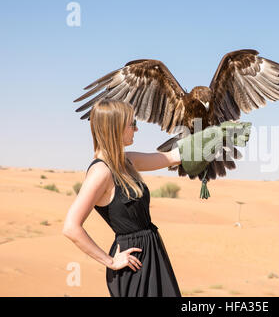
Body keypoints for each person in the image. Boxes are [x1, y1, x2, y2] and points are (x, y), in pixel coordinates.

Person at [62, 98, 251, 297]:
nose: (136, 129)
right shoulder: (101, 172)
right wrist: (110, 261)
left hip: (152, 252)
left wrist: (218, 134)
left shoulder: (127, 161)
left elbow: (173, 157)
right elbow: (70, 227)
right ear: (115, 128)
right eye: (132, 124)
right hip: (132, 264)